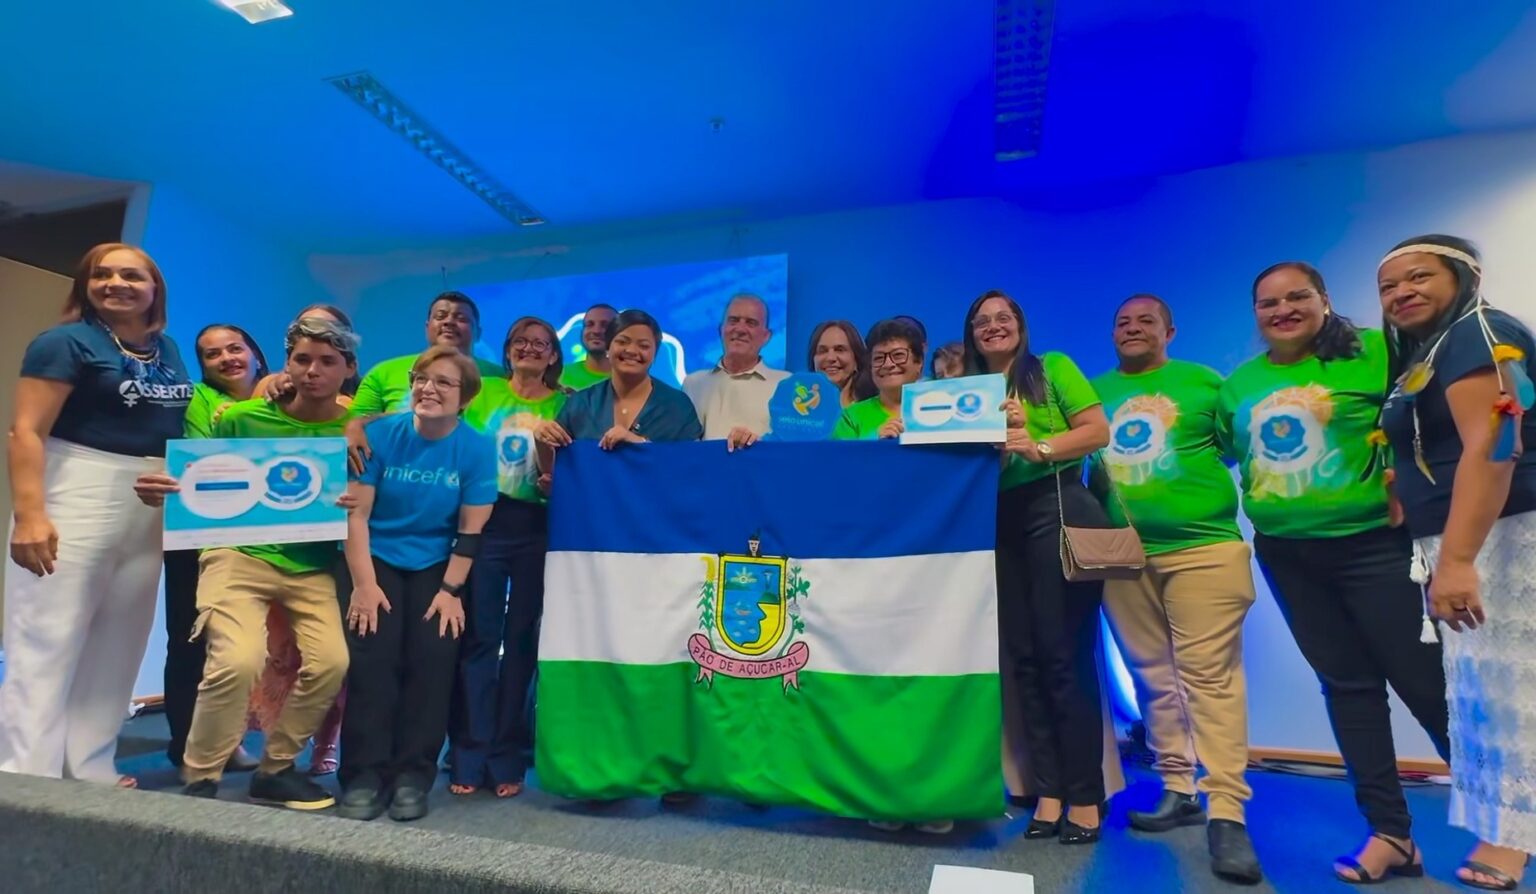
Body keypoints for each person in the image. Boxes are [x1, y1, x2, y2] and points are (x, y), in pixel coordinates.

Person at [1218, 262, 1449, 884]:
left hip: (1374, 546)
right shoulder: (1240, 383)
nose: (1283, 310)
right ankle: (1391, 835)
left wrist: (1409, 481)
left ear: (1325, 299)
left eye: (1298, 297)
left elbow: (1431, 420)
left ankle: (1510, 825)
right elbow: (1232, 453)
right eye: (1268, 303)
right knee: (1348, 690)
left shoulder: (1377, 352)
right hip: (1288, 554)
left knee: (1428, 685)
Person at [134, 317, 359, 809]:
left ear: (348, 369)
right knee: (236, 660)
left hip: (313, 563)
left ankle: (276, 768)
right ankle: (201, 775)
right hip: (238, 554)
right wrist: (164, 489)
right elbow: (199, 480)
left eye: (326, 362)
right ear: (285, 364)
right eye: (301, 360)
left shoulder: (355, 431)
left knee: (331, 663)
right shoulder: (244, 418)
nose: (312, 371)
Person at [0, 243, 193, 787]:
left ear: (155, 289)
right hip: (76, 488)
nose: (116, 283)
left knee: (119, 642)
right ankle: (25, 776)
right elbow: (26, 432)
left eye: (132, 275)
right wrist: (31, 515)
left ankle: (88, 766)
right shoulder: (63, 343)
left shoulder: (167, 348)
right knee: (47, 636)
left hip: (149, 502)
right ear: (85, 285)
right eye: (102, 274)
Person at [1378, 235, 1535, 891]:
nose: (1400, 293)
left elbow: (1496, 447)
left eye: (1418, 277)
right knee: (1487, 694)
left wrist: (1461, 561)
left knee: (1514, 693)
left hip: (1502, 536)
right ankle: (1506, 828)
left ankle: (1511, 839)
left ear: (1464, 277)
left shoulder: (1480, 331)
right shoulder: (1429, 352)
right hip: (1459, 536)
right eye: (1388, 286)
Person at [1090, 294, 1262, 883]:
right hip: (1123, 554)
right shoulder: (1093, 392)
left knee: (1208, 678)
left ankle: (1228, 813)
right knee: (1152, 678)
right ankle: (1178, 787)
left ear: (1170, 329)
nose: (1132, 329)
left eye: (1146, 321)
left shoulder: (1205, 383)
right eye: (1122, 322)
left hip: (1204, 548)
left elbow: (1237, 451)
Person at [962, 289, 1111, 846]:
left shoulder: (1052, 370)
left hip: (1057, 507)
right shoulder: (964, 389)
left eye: (1003, 318)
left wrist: (1036, 445)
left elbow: (1097, 430)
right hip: (998, 521)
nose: (993, 327)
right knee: (1023, 659)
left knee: (1063, 654)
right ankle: (1048, 792)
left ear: (1021, 326)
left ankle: (1085, 795)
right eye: (982, 321)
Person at [335, 346, 497, 821]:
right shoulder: (378, 436)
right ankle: (363, 775)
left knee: (433, 661)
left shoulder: (476, 447)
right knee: (373, 660)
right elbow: (357, 517)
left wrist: (450, 592)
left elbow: (471, 531)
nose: (429, 389)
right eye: (422, 379)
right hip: (375, 554)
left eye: (444, 382)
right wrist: (363, 585)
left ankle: (412, 776)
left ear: (464, 397)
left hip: (437, 563)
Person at [453, 317, 567, 799]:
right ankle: (467, 753)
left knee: (521, 644)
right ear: (507, 350)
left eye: (541, 344)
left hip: (538, 526)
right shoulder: (482, 393)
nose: (531, 349)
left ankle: (507, 757)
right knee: (480, 639)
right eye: (521, 341)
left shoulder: (568, 402)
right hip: (483, 523)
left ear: (554, 356)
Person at [163, 323, 270, 771]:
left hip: (264, 541)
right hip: (199, 535)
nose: (226, 358)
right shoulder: (196, 399)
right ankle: (186, 745)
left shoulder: (284, 391)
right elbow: (209, 458)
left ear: (256, 353)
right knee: (191, 640)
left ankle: (228, 742)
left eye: (234, 348)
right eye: (212, 354)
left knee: (242, 648)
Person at [537, 309, 702, 452]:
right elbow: (554, 471)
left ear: (654, 354)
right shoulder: (582, 403)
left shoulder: (677, 405)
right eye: (622, 342)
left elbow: (691, 466)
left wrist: (642, 445)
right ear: (608, 348)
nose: (631, 350)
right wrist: (541, 440)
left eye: (643, 346)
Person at [682, 294, 788, 448]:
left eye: (751, 323)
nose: (740, 329)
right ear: (721, 330)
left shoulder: (785, 385)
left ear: (766, 336)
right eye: (733, 320)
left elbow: (792, 450)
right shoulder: (693, 384)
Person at [831, 318, 925, 440]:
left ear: (919, 362)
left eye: (898, 355)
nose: (888, 364)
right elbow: (840, 458)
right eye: (879, 358)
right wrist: (874, 441)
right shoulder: (851, 417)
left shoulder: (942, 408)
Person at [807, 320, 875, 407]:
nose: (830, 358)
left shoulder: (872, 407)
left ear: (857, 359)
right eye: (823, 351)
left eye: (840, 350)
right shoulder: (799, 407)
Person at [558, 303, 616, 391]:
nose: (596, 331)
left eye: (605, 325)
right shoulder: (558, 377)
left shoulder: (636, 380)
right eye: (589, 324)